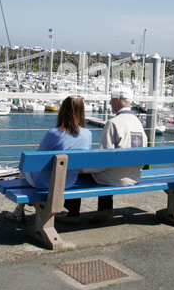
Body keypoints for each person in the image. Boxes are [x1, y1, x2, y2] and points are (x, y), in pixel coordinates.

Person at [63, 86, 148, 223]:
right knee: (108, 170)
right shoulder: (138, 123)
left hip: (115, 178)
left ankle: (72, 214)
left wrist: (82, 169)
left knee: (77, 171)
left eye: (111, 100)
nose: (109, 103)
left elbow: (102, 161)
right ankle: (105, 210)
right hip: (134, 175)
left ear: (117, 100)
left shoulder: (113, 123)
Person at [5, 95, 92, 223]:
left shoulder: (54, 133)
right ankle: (26, 207)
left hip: (45, 183)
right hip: (69, 182)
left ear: (63, 110)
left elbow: (37, 160)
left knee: (24, 170)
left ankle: (19, 210)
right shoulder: (87, 134)